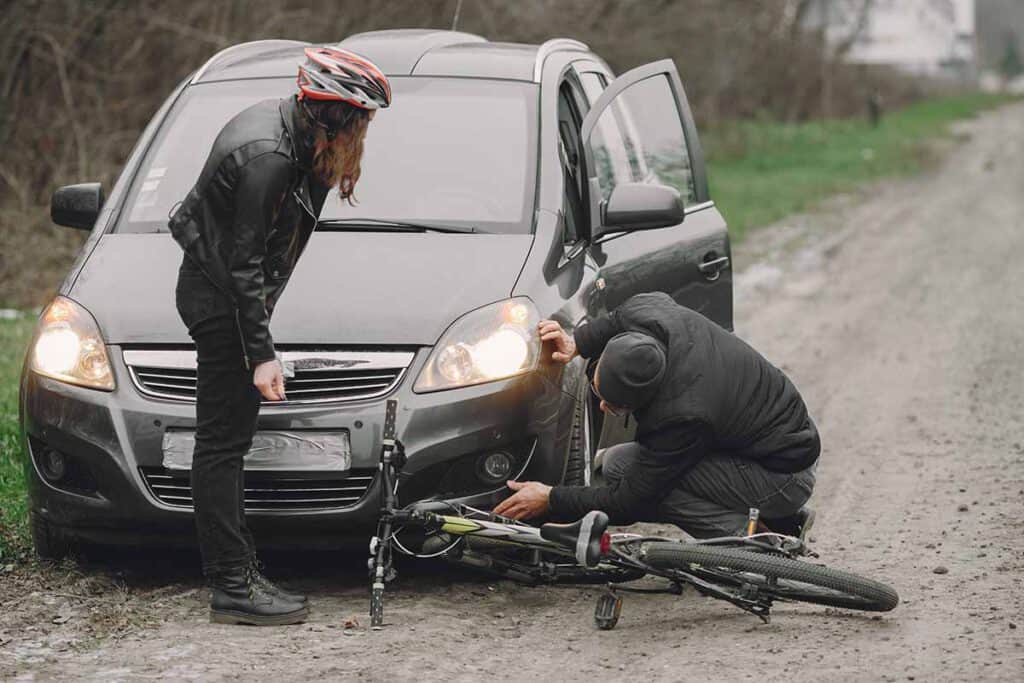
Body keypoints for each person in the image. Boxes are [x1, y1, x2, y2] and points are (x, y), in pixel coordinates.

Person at [168, 46, 391, 625]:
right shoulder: (269, 155)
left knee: (228, 443)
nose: (365, 133)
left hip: (228, 293)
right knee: (221, 445)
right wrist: (260, 355)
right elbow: (244, 263)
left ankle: (239, 568)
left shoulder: (295, 135)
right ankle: (231, 586)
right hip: (222, 302)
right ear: (334, 114)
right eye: (361, 120)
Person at [494, 291, 819, 542]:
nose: (604, 408)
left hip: (784, 476)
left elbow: (632, 500)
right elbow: (618, 319)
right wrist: (576, 342)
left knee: (659, 487)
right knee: (618, 463)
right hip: (761, 446)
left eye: (615, 405)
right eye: (598, 394)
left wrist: (552, 498)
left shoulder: (682, 416)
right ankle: (782, 523)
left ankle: (750, 545)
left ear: (646, 397)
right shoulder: (652, 314)